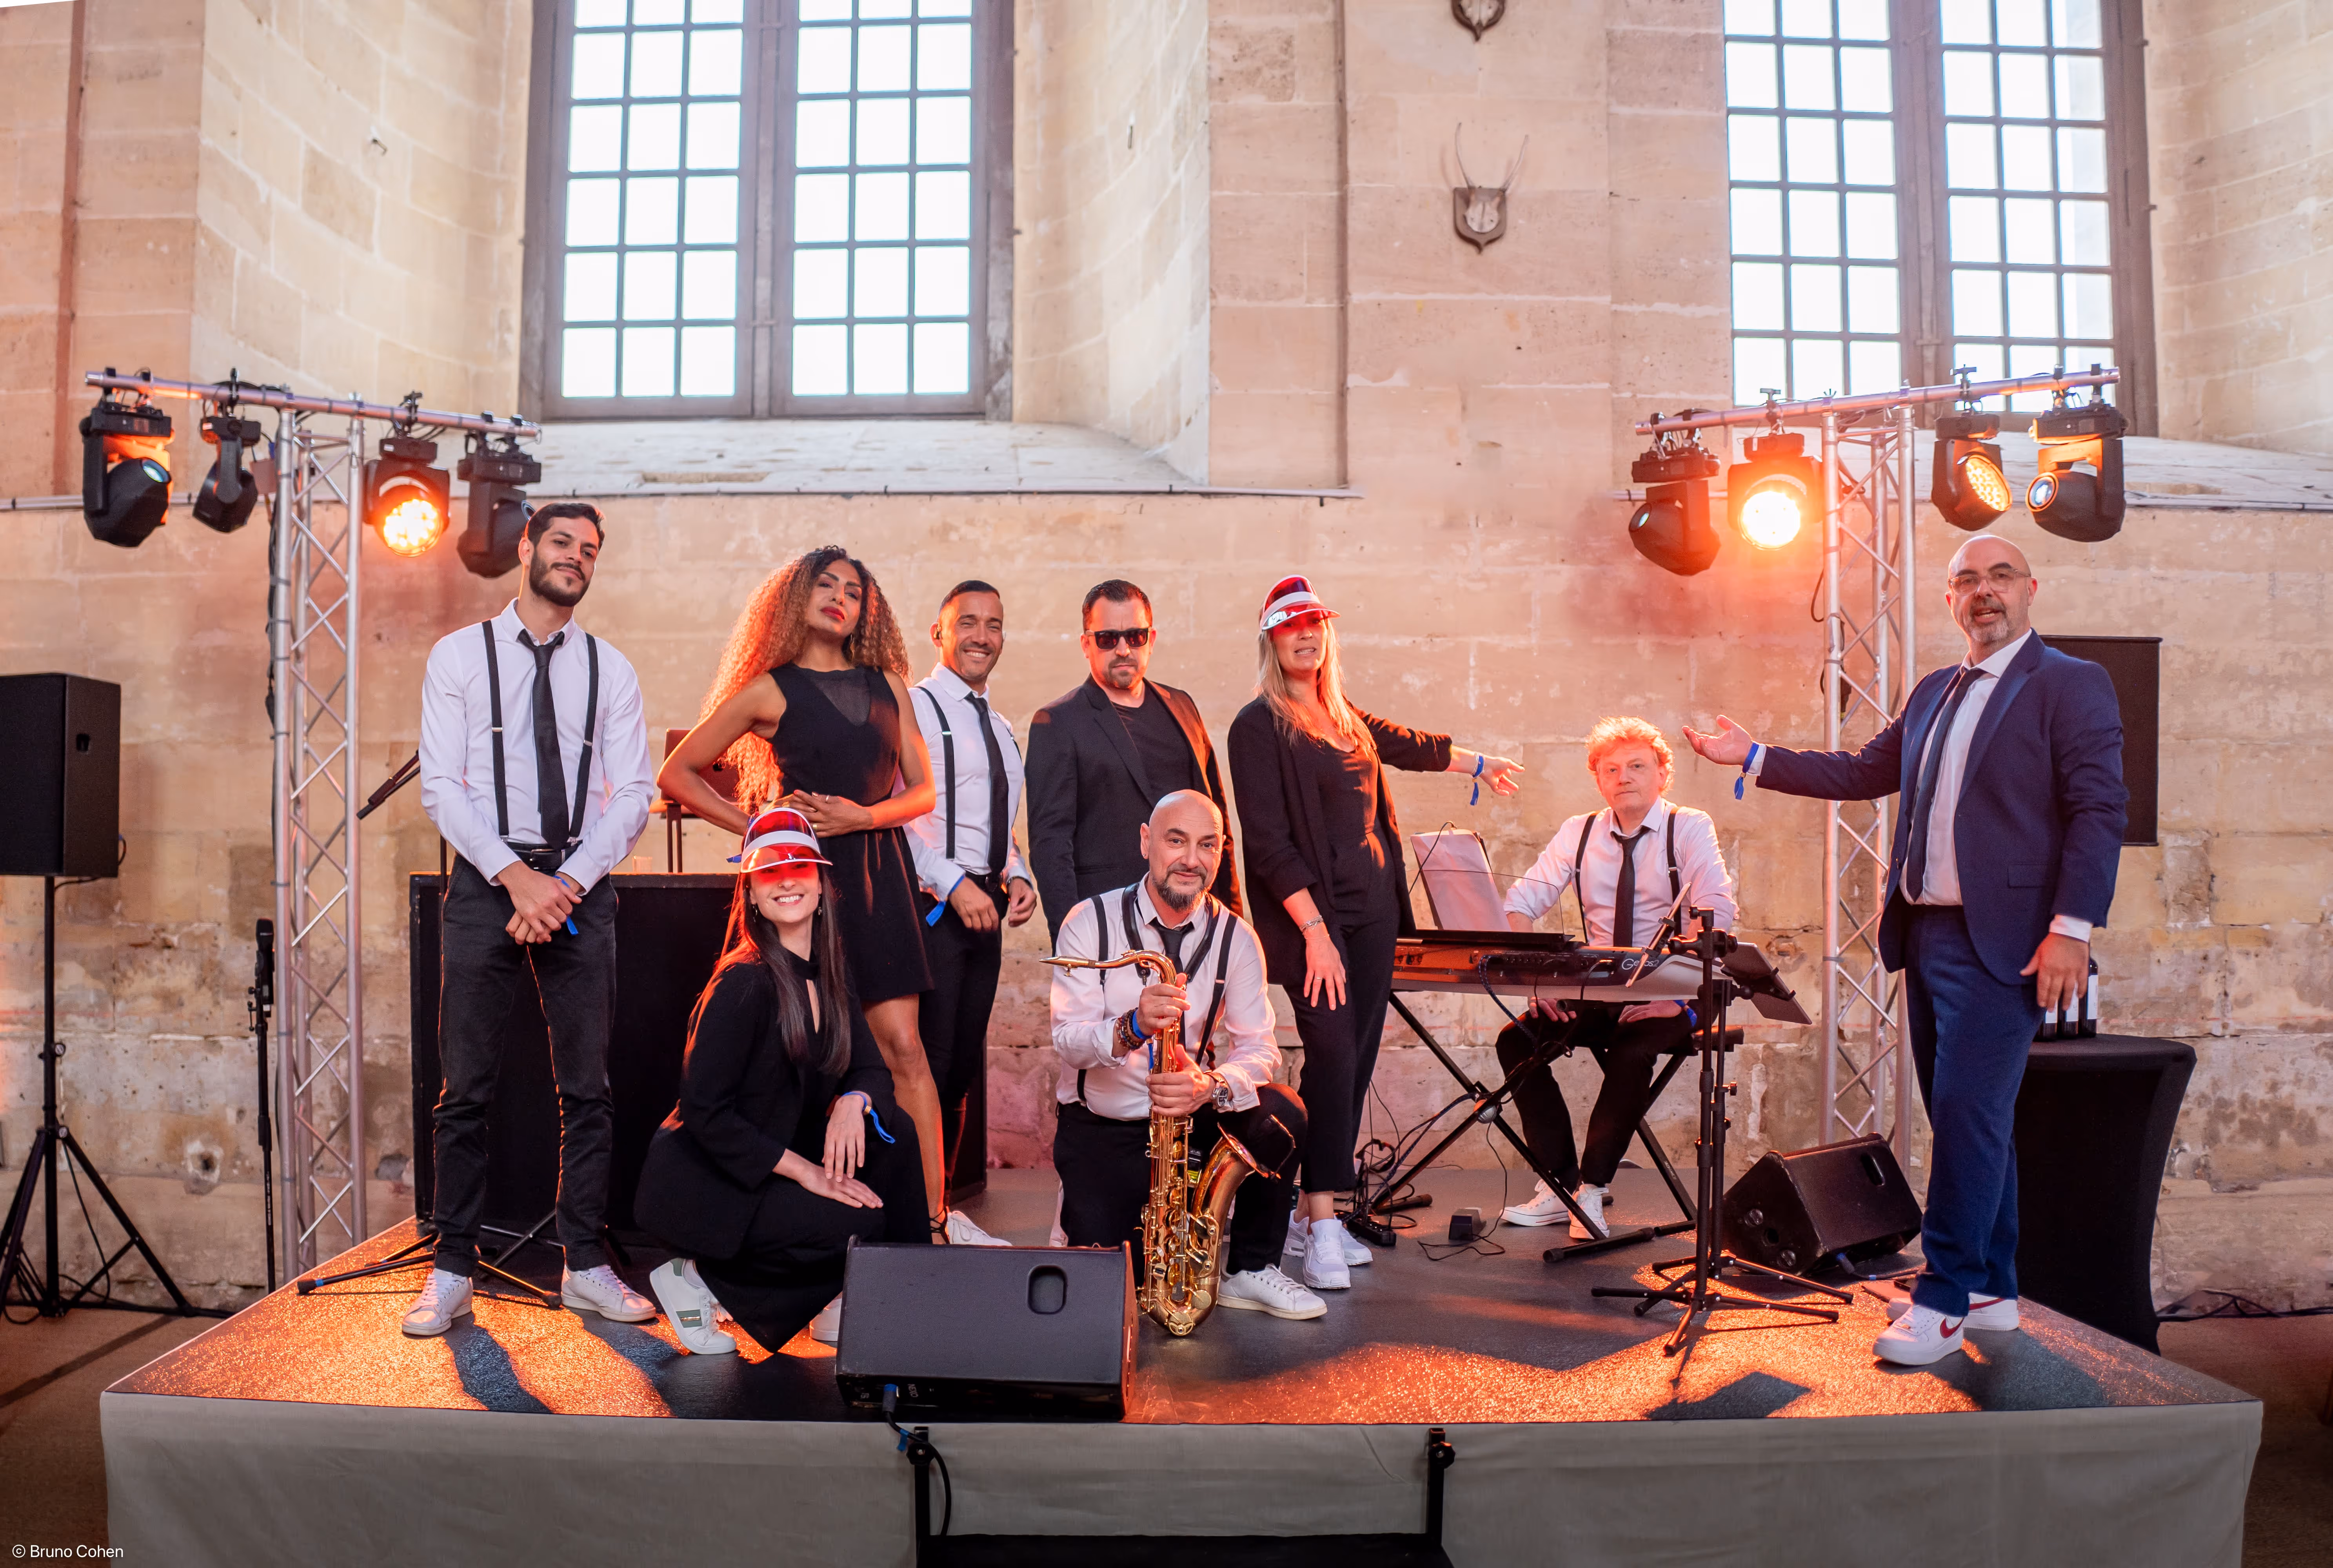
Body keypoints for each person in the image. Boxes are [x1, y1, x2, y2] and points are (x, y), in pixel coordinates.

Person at [1684, 532, 2125, 1367]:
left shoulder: (2070, 683)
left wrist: (2072, 927)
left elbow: (2098, 809)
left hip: (2008, 944)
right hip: (1926, 935)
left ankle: (1944, 1298)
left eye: (2000, 576)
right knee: (1969, 1120)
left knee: (1966, 1121)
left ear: (2030, 589)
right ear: (1950, 598)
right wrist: (1753, 756)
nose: (1984, 591)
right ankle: (1991, 1287)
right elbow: (1860, 772)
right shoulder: (1932, 691)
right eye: (1967, 580)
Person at [1225, 575, 1523, 1291]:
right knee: (1330, 1055)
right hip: (1316, 920)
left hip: (1375, 913)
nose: (1306, 634)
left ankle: (1307, 1216)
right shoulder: (1257, 725)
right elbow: (1267, 844)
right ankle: (1323, 1222)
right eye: (1291, 625)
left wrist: (1478, 764)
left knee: (1354, 1062)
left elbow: (1408, 745)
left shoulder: (1343, 715)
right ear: (1271, 640)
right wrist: (1314, 933)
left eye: (1315, 623)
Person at [407, 501, 657, 1337]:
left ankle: (585, 1262)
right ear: (526, 547)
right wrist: (517, 880)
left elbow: (634, 793)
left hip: (579, 883)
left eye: (590, 549)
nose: (576, 557)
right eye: (561, 542)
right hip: (490, 880)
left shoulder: (611, 670)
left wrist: (565, 885)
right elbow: (441, 786)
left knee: (588, 1090)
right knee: (464, 1091)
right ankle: (452, 1268)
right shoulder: (459, 655)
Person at [659, 546, 956, 1235]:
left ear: (865, 612)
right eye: (826, 585)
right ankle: (790, 1221)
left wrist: (861, 818)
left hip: (878, 876)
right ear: (797, 598)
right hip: (800, 884)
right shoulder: (771, 689)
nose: (840, 597)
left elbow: (923, 793)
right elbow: (677, 773)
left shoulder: (889, 684)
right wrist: (762, 830)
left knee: (904, 1051)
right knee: (790, 1059)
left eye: (853, 591)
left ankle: (933, 1223)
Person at [634, 809, 930, 1356]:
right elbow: (705, 1111)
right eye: (769, 871)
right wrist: (808, 1173)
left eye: (799, 867)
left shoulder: (830, 973)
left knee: (895, 1133)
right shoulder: (742, 982)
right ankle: (697, 1280)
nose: (787, 880)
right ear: (750, 894)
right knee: (853, 1224)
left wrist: (853, 1101)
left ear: (821, 886)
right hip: (715, 1180)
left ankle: (907, 1300)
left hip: (776, 1152)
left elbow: (870, 1068)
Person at [1049, 791, 1322, 1321]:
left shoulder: (1237, 938)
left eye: (1206, 846)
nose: (1191, 860)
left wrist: (1209, 1087)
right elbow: (1067, 1041)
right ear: (1146, 842)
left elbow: (1260, 1048)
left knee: (1283, 1112)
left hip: (1188, 1120)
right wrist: (1131, 1026)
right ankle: (1080, 1214)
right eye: (1176, 841)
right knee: (1112, 1297)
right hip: (1104, 1127)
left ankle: (1251, 1268)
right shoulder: (1088, 921)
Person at [1494, 717, 1738, 1239]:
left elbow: (1715, 910)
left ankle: (1592, 1188)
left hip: (1678, 988)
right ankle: (1559, 1187)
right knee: (1516, 1041)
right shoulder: (1578, 832)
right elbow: (1520, 903)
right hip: (1603, 986)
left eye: (1636, 766)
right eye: (1611, 769)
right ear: (1598, 779)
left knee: (1632, 1050)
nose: (1623, 777)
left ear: (1662, 774)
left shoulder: (1688, 827)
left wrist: (1678, 997)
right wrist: (1540, 982)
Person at [904, 580, 1036, 1245]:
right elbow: (898, 818)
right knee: (923, 1069)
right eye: (968, 623)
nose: (982, 636)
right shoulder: (915, 708)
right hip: (931, 912)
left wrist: (1017, 873)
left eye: (994, 624)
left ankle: (941, 1209)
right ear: (939, 634)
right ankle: (912, 1218)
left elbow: (994, 825)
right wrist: (953, 883)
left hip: (984, 915)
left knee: (959, 1073)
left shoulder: (1002, 727)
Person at [1025, 580, 1239, 944]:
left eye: (1135, 637)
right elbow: (1051, 846)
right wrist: (1072, 941)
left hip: (1196, 922)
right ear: (1086, 645)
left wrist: (1231, 924)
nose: (1123, 649)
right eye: (1108, 638)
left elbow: (1218, 823)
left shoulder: (1182, 706)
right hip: (1109, 926)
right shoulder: (1058, 722)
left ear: (1151, 640)